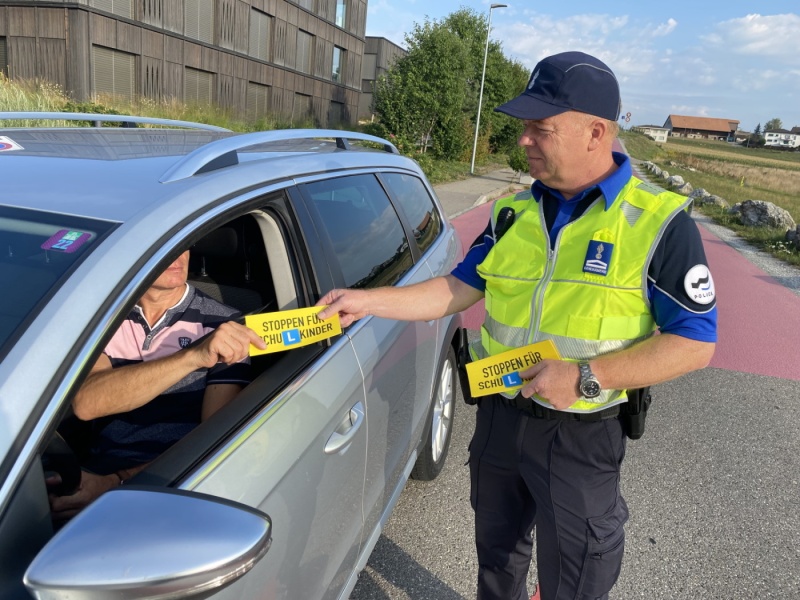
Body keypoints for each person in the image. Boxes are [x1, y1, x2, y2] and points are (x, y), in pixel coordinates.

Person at [317, 51, 717, 600]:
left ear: (595, 132)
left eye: (540, 128)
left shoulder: (659, 223)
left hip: (580, 433)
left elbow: (694, 343)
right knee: (497, 560)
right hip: (501, 419)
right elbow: (456, 289)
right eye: (524, 126)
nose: (523, 140)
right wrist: (367, 301)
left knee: (575, 578)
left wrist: (584, 376)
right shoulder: (514, 213)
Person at [49, 250, 266, 521]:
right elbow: (88, 403)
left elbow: (213, 443)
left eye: (183, 244)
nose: (178, 255)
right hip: (95, 472)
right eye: (166, 247)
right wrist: (192, 357)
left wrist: (119, 483)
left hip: (177, 481)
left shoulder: (224, 326)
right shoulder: (104, 318)